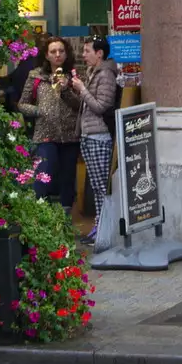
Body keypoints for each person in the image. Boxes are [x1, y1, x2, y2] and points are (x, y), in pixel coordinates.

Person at [17, 37, 80, 213]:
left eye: (61, 51)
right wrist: (38, 111)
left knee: (68, 178)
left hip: (70, 135)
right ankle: (41, 216)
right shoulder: (36, 76)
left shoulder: (73, 76)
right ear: (46, 55)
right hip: (45, 134)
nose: (57, 55)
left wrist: (66, 88)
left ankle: (65, 218)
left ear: (66, 54)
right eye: (53, 52)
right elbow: (22, 104)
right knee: (43, 175)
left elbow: (79, 105)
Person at [67, 36, 118, 245]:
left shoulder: (105, 74)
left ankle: (103, 228)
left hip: (99, 136)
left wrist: (82, 90)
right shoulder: (93, 72)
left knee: (100, 186)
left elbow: (100, 106)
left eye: (87, 51)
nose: (83, 55)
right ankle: (100, 226)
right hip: (89, 134)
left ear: (100, 53)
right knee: (96, 186)